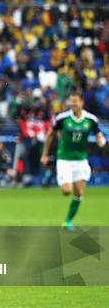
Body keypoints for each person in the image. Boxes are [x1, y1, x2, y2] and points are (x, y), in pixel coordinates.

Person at [41, 91, 106, 229]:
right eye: (71, 101)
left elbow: (98, 134)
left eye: (75, 101)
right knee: (66, 191)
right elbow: (50, 134)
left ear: (82, 102)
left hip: (81, 160)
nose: (72, 104)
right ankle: (60, 183)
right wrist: (44, 154)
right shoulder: (62, 118)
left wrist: (100, 140)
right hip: (64, 159)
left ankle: (68, 221)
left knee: (79, 192)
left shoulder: (91, 119)